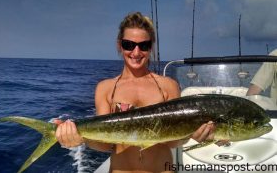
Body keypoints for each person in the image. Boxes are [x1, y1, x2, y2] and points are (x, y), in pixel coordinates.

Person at [55, 12, 214, 173]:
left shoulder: (168, 85)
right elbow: (104, 144)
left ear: (151, 47)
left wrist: (192, 134)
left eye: (143, 45)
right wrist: (80, 138)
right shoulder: (105, 88)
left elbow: (171, 142)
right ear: (119, 45)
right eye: (129, 45)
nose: (136, 52)